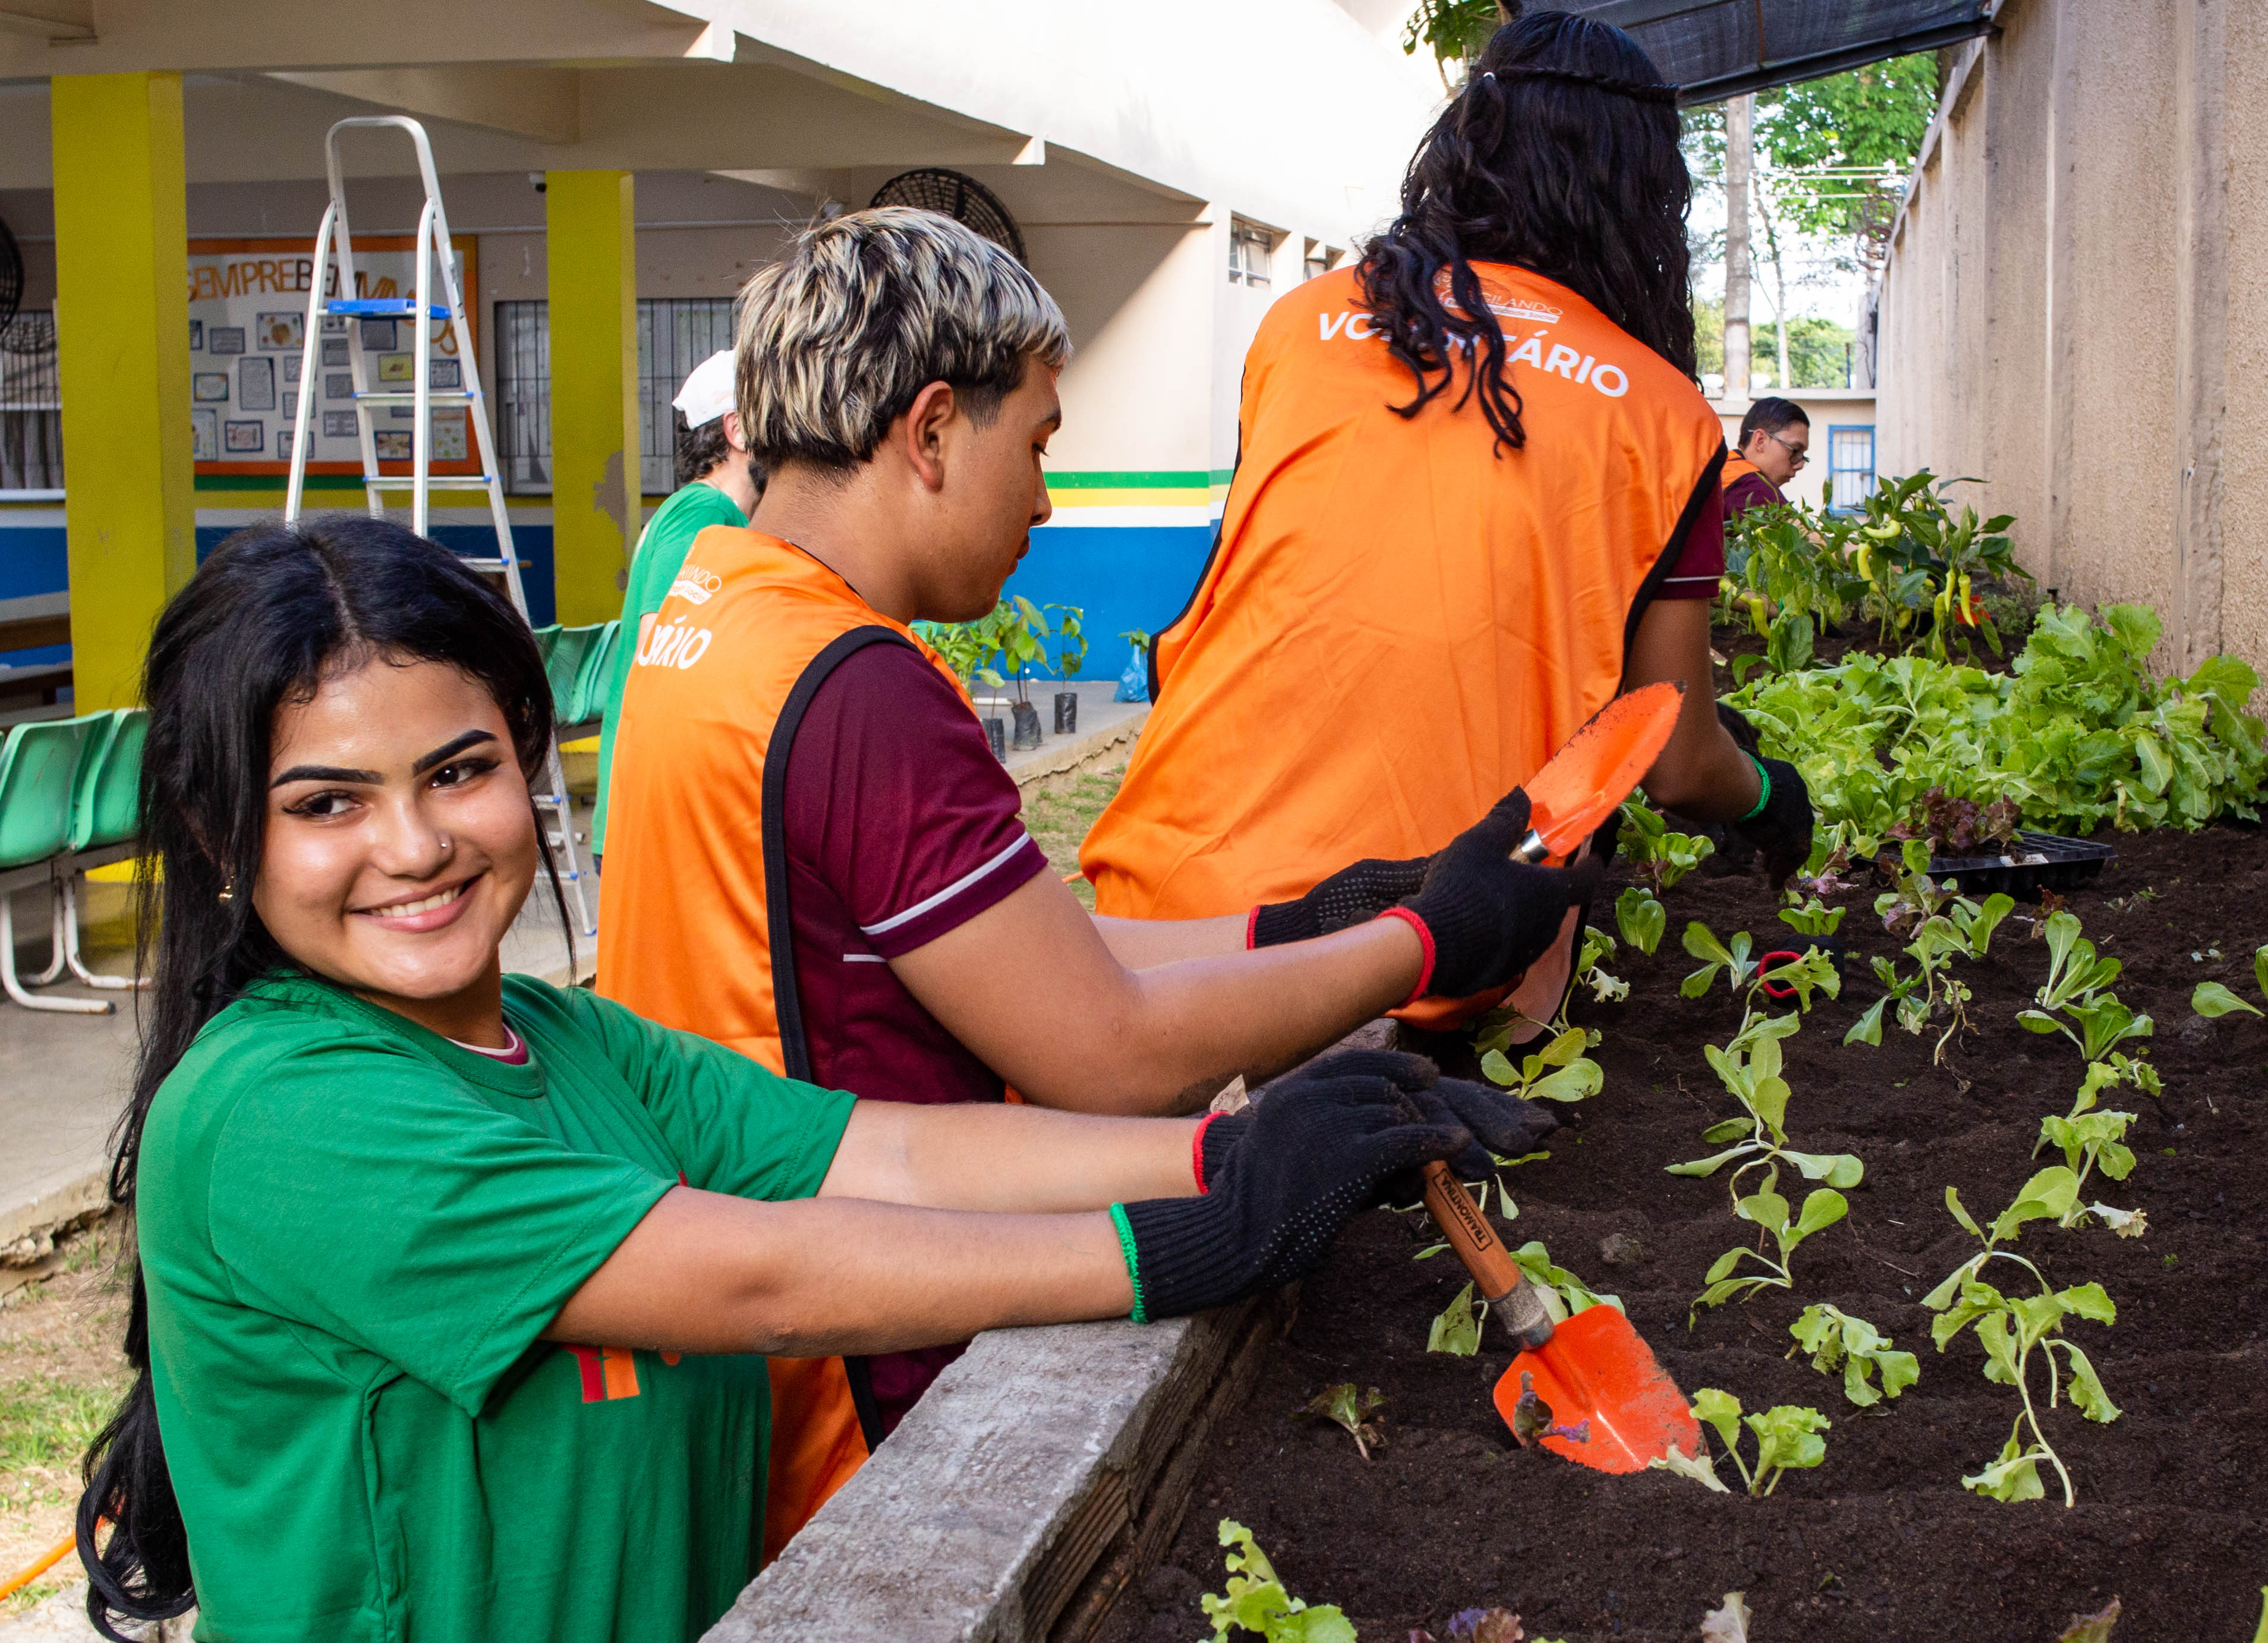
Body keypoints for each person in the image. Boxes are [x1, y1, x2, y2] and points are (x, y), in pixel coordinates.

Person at [75, 515, 1553, 1643]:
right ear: (218, 839)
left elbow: (885, 1154)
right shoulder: (282, 1108)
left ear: (529, 764)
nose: (414, 844)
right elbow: (761, 1275)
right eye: (328, 802)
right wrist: (1200, 1236)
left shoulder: (562, 1036)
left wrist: (1231, 1156)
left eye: (458, 771)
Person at [596, 206, 1590, 1523]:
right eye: (1042, 442)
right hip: (860, 1381)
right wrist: (1430, 941)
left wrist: (1307, 921)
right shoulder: (858, 692)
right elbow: (1104, 1047)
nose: (1050, 497)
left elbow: (1021, 955)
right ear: (935, 429)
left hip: (729, 1336)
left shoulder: (711, 607)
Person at [1079, 11, 1815, 1019]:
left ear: (1464, 148)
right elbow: (1678, 767)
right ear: (1639, 191)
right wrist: (1772, 797)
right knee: (1572, 832)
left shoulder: (1300, 324)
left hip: (1153, 920)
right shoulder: (1660, 414)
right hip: (1417, 956)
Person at [593, 350, 758, 854]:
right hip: (654, 822)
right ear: (737, 430)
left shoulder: (703, 513)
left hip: (648, 815)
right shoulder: (702, 511)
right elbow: (661, 650)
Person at [1722, 395, 1808, 514]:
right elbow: (1805, 532)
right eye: (1795, 451)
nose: (1799, 465)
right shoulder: (1753, 488)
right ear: (1760, 441)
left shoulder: (1722, 466)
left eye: (1803, 456)